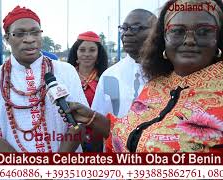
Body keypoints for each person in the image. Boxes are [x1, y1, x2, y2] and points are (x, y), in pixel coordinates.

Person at [65, 0, 223, 153]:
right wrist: (91, 117)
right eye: (177, 31)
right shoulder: (155, 85)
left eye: (204, 31)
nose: (189, 40)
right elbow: (132, 137)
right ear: (163, 39)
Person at [0, 5, 88, 152]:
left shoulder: (65, 71)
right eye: (20, 34)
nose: (29, 39)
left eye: (35, 32)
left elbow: (79, 123)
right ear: (7, 38)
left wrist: (56, 167)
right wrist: (26, 172)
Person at [91, 9, 156, 118]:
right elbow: (98, 118)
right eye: (124, 28)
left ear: (156, 31)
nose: (127, 33)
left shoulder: (172, 72)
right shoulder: (110, 76)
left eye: (135, 28)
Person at [67, 31, 108, 152]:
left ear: (98, 54)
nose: (87, 54)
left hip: (98, 138)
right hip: (69, 137)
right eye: (82, 50)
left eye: (92, 50)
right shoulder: (66, 76)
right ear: (76, 52)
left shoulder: (105, 78)